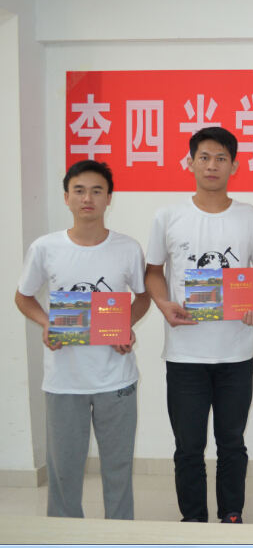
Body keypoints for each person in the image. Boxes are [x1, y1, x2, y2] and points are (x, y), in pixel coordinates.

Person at [145, 127, 253, 524]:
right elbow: (153, 272)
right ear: (190, 162)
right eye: (204, 157)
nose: (212, 165)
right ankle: (194, 521)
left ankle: (231, 516)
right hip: (185, 353)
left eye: (221, 158)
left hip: (236, 352)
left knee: (232, 442)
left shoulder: (251, 217)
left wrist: (251, 302)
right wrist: (164, 304)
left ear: (235, 165)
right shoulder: (168, 216)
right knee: (188, 447)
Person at [15, 160, 150, 520]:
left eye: (96, 191)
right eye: (79, 190)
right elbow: (23, 297)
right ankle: (64, 537)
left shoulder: (127, 248)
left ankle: (119, 537)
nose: (87, 198)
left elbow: (143, 297)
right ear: (66, 197)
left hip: (116, 378)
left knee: (118, 469)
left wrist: (126, 326)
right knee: (63, 473)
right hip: (64, 380)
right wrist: (46, 323)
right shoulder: (45, 248)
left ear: (109, 198)